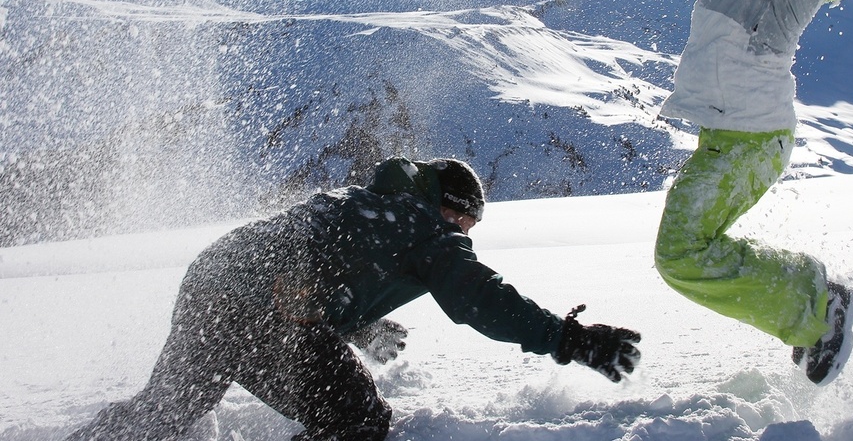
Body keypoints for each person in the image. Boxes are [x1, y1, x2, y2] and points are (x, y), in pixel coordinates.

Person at [67, 157, 641, 441]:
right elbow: (476, 299)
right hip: (262, 305)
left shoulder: (368, 204)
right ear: (446, 205)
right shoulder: (422, 227)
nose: (464, 232)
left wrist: (358, 327)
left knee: (167, 410)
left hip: (215, 282)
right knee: (358, 421)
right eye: (464, 219)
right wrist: (567, 338)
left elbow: (322, 268)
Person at [655, 0, 853, 386]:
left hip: (751, 137)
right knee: (684, 251)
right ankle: (808, 310)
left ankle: (815, 306)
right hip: (734, 131)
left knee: (680, 254)